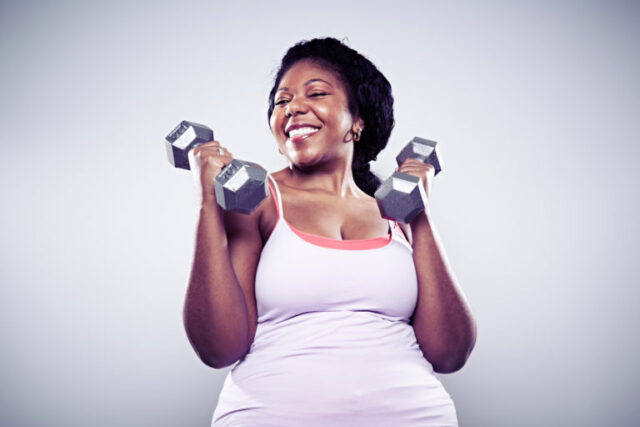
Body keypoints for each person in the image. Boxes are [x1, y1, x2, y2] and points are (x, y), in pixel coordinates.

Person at [182, 37, 477, 426]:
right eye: (281, 102)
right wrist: (207, 203)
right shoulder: (258, 199)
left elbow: (450, 353)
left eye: (315, 93)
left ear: (358, 121)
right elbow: (219, 348)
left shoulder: (396, 213)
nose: (293, 108)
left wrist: (419, 213)